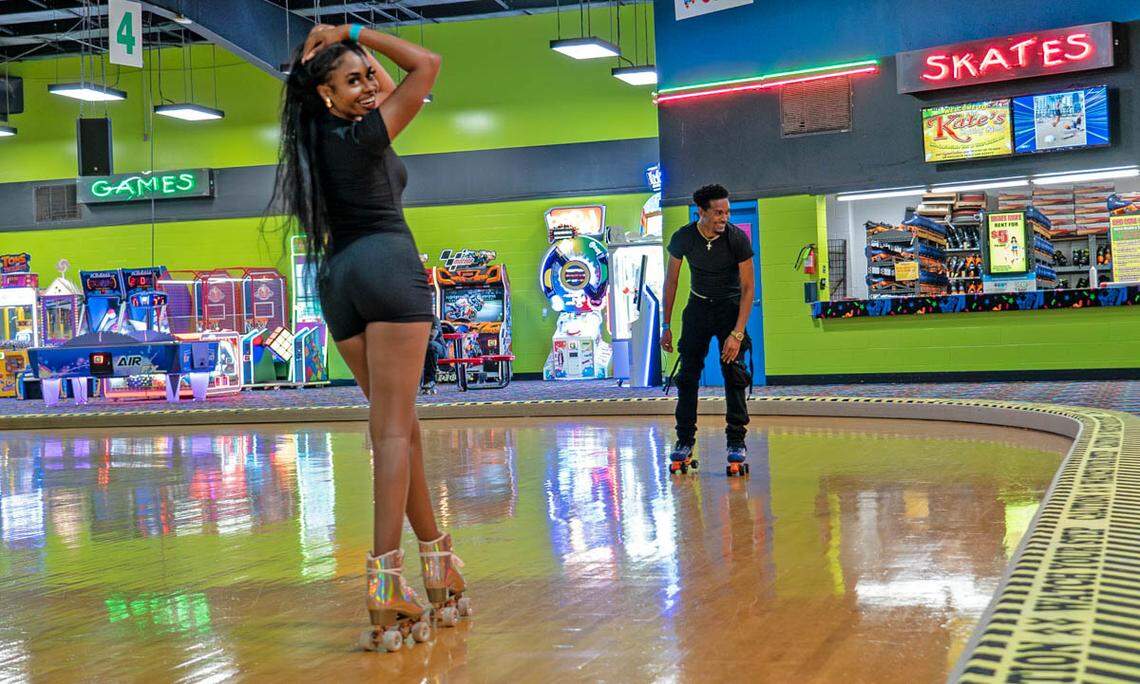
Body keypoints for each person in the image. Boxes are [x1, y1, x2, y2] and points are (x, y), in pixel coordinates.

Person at [270, 22, 467, 653]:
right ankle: (385, 579)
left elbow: (375, 87)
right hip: (387, 270)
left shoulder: (314, 138)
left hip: (338, 279)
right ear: (326, 93)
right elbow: (427, 65)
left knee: (400, 424)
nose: (367, 87)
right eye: (351, 80)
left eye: (365, 79)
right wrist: (360, 32)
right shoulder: (363, 133)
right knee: (392, 430)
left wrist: (337, 57)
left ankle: (438, 565)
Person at [660, 184, 756, 476]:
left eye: (727, 211)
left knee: (734, 374)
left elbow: (748, 287)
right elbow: (672, 281)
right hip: (698, 308)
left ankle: (736, 442)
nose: (724, 217)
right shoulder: (683, 238)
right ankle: (684, 440)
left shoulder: (736, 239)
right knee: (687, 376)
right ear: (700, 212)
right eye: (717, 212)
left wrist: (737, 333)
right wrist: (666, 325)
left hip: (729, 308)